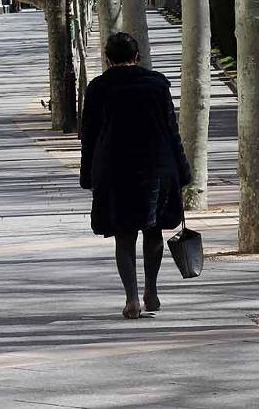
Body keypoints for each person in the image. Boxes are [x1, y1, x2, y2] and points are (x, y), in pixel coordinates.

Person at [80, 32, 191, 320]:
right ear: (137, 56)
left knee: (124, 235)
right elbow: (172, 130)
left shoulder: (98, 88)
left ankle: (131, 298)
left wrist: (87, 174)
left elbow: (88, 137)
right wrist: (183, 169)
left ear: (107, 58)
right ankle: (151, 290)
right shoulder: (156, 85)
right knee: (152, 230)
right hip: (156, 165)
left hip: (114, 169)